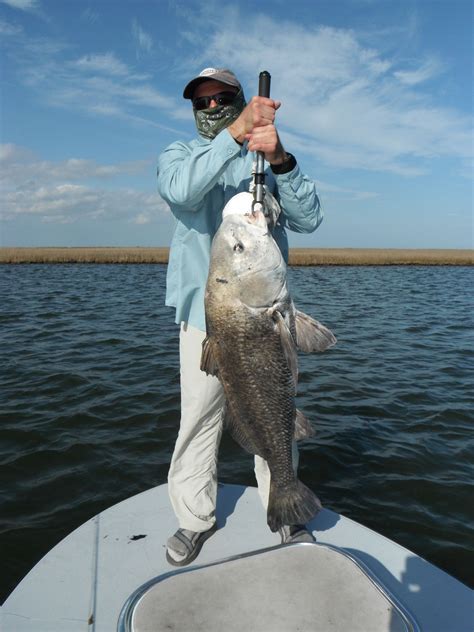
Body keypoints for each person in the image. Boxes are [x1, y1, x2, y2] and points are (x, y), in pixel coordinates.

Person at [157, 67, 323, 566]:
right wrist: (236, 133)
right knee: (198, 420)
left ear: (240, 97)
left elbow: (310, 218)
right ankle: (193, 519)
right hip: (204, 320)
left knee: (275, 413)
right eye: (201, 102)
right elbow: (182, 191)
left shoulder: (266, 163)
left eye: (222, 98)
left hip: (268, 316)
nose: (211, 107)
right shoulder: (179, 155)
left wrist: (280, 159)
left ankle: (286, 512)